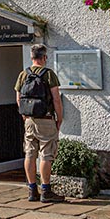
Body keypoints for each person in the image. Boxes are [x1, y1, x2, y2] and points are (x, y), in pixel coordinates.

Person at [16, 43, 65, 203]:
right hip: (46, 119)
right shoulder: (49, 74)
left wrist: (25, 115)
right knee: (46, 154)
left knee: (30, 153)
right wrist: (59, 118)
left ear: (32, 57)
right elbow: (56, 98)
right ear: (44, 57)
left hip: (29, 120)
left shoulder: (23, 74)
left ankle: (32, 190)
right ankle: (46, 190)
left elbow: (18, 98)